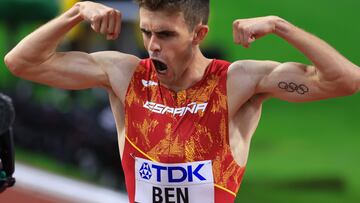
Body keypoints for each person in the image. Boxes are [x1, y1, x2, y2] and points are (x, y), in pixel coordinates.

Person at [3, 0, 360, 202]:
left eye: (165, 34)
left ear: (198, 34)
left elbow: (346, 80)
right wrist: (76, 13)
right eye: (146, 32)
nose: (152, 44)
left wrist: (282, 26)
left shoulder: (238, 82)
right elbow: (21, 63)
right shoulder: (125, 75)